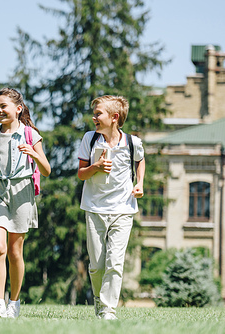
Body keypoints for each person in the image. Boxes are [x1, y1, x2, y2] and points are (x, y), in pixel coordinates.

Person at [0, 88, 51, 318]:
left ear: (18, 108)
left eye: (3, 106)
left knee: (15, 252)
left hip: (22, 192)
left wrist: (34, 154)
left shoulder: (30, 135)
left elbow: (46, 169)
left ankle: (14, 302)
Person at [77, 95, 145, 320]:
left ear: (114, 117)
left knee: (115, 261)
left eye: (98, 114)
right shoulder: (90, 139)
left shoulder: (132, 142)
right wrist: (95, 167)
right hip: (95, 208)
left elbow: (140, 160)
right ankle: (99, 299)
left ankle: (108, 309)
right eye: (94, 113)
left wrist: (140, 183)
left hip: (123, 209)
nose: (94, 117)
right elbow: (80, 174)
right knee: (96, 265)